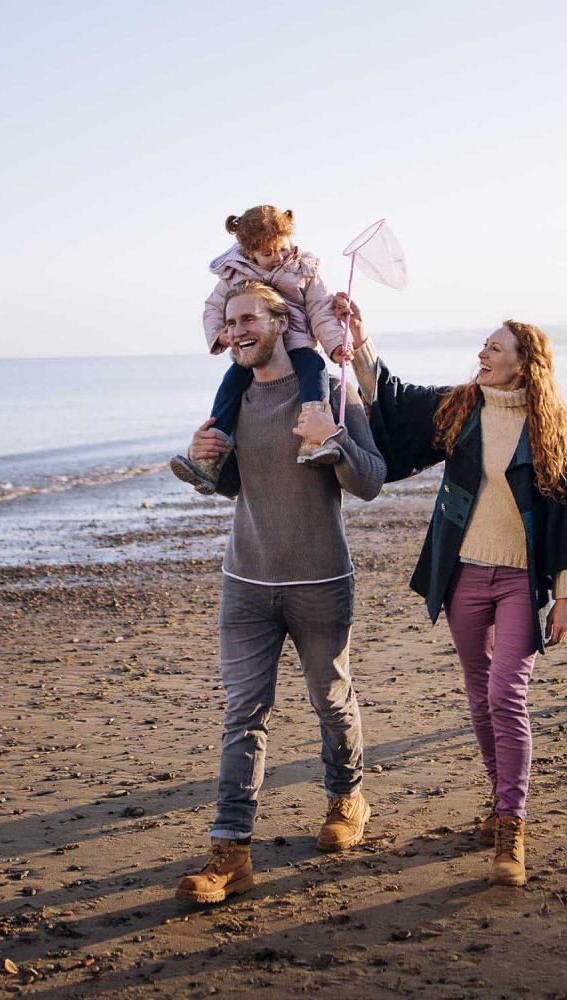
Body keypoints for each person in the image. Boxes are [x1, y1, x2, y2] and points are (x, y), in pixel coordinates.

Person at [338, 293, 567, 887]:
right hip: (463, 574)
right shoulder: (460, 408)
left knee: (506, 695)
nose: (482, 353)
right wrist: (358, 338)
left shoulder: (550, 428)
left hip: (518, 581)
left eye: (495, 347)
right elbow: (395, 396)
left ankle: (512, 825)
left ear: (523, 364)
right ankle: (498, 797)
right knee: (480, 690)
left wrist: (566, 595)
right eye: (484, 345)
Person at [174, 280, 386, 905]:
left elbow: (369, 481)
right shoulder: (234, 397)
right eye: (229, 320)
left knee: (330, 698)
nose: (235, 329)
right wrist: (204, 458)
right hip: (246, 581)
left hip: (320, 580)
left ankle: (347, 798)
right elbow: (238, 485)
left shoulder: (328, 391)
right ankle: (230, 850)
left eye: (247, 319)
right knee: (243, 713)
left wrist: (335, 437)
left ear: (278, 320)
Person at [171, 205, 350, 494]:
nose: (278, 257)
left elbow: (320, 308)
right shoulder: (234, 275)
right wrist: (222, 334)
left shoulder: (303, 268)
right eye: (268, 254)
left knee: (314, 371)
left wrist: (337, 344)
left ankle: (313, 439)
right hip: (254, 353)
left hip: (299, 343)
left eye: (281, 248)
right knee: (230, 385)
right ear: (248, 252)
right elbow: (213, 308)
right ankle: (210, 456)